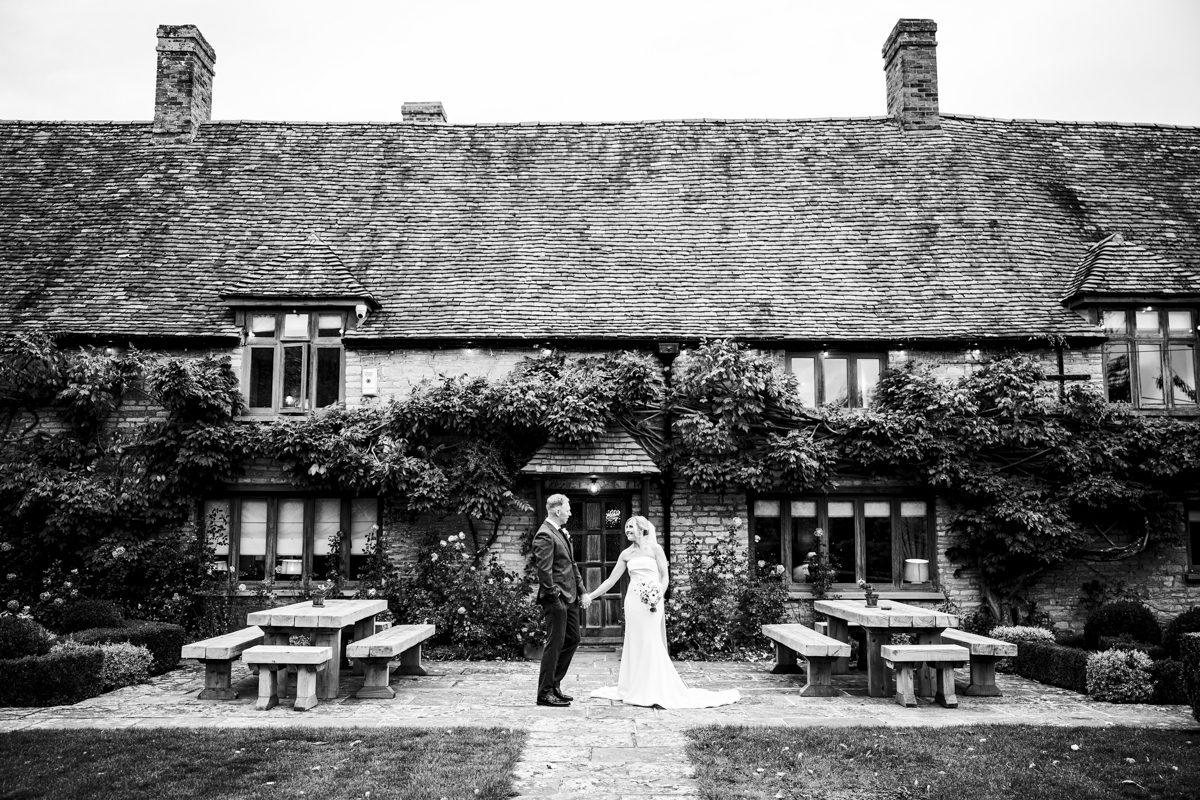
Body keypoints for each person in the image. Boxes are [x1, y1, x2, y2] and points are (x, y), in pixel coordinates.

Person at [585, 515, 740, 708]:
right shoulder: (626, 554)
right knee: (635, 641)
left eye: (630, 526)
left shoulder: (655, 550)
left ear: (642, 529)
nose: (627, 530)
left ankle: (655, 686)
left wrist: (658, 593)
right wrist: (591, 596)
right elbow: (610, 581)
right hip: (634, 602)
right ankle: (635, 686)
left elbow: (665, 577)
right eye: (626, 527)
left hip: (652, 602)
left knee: (651, 641)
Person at [532, 493, 590, 707]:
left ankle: (554, 685)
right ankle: (544, 693)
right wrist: (554, 597)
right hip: (557, 599)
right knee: (554, 644)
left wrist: (583, 591)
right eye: (568, 508)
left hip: (571, 597)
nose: (570, 512)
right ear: (557, 510)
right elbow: (544, 572)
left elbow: (572, 565)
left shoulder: (560, 533)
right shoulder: (545, 535)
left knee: (573, 639)